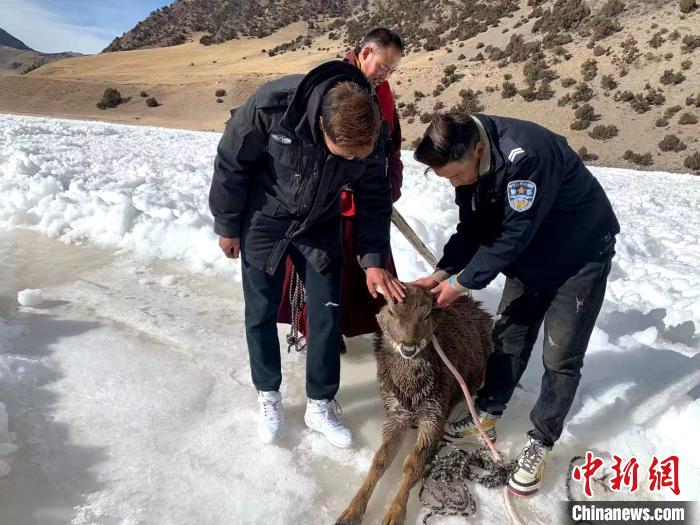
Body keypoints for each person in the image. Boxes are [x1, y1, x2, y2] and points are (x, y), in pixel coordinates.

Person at [412, 112, 620, 496]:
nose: (455, 183)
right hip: (531, 254)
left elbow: (510, 237)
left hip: (579, 256)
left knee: (560, 355)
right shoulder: (468, 163)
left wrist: (460, 285)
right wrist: (441, 274)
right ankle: (487, 414)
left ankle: (542, 440)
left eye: (456, 175)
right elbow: (473, 229)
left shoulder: (528, 158)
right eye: (447, 178)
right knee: (509, 336)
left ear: (478, 149)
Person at [209, 61, 406, 448]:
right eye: (345, 156)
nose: (354, 162)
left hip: (320, 222)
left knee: (327, 311)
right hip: (264, 217)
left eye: (359, 157)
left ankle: (320, 404)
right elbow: (232, 163)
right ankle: (269, 395)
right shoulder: (271, 106)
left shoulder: (372, 126)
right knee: (260, 311)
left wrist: (372, 259)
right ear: (321, 127)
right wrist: (228, 225)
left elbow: (374, 196)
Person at [278, 28, 404, 353]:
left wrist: (391, 182)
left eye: (392, 70)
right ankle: (321, 331)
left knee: (365, 263)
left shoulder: (383, 93)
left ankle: (347, 325)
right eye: (383, 66)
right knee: (321, 264)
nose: (386, 75)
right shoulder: (332, 85)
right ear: (365, 53)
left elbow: (391, 144)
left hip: (367, 195)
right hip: (324, 199)